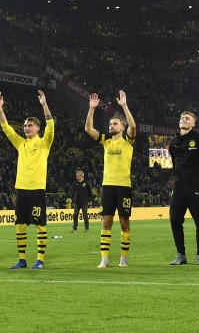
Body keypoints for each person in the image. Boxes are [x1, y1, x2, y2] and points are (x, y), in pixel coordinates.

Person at [0, 90, 55, 270]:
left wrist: (44, 104)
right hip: (21, 189)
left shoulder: (45, 142)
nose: (26, 128)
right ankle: (22, 260)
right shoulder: (20, 143)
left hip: (37, 189)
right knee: (20, 226)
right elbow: (6, 128)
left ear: (38, 128)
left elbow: (51, 125)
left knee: (39, 225)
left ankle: (40, 260)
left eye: (30, 125)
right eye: (25, 126)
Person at [84, 91, 137, 268]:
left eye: (114, 123)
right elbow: (88, 130)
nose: (111, 125)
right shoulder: (106, 141)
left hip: (123, 186)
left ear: (122, 127)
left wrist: (124, 106)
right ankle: (104, 259)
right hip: (107, 186)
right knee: (106, 221)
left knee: (124, 222)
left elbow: (134, 126)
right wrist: (91, 109)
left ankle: (123, 257)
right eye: (110, 123)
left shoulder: (128, 140)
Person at [166, 111, 199, 266]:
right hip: (179, 187)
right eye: (182, 118)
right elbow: (174, 164)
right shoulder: (174, 142)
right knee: (174, 220)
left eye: (187, 118)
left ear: (193, 124)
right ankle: (181, 254)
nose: (183, 120)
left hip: (196, 186)